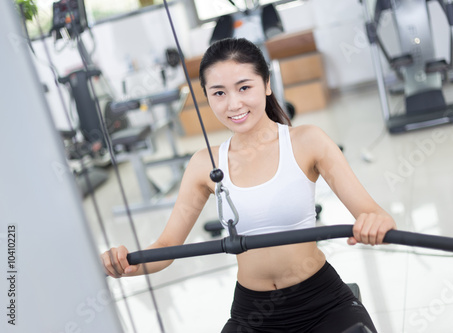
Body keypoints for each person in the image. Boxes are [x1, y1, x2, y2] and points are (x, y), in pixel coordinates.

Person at [101, 38, 396, 333]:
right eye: (219, 93)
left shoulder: (308, 141)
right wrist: (130, 264)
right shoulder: (205, 163)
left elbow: (373, 212)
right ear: (207, 96)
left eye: (244, 87)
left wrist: (374, 223)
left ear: (266, 84)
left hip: (321, 302)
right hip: (252, 315)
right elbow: (166, 246)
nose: (234, 104)